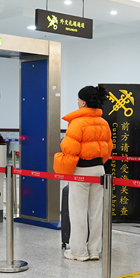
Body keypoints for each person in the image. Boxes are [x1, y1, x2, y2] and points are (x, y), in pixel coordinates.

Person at [54, 85, 113, 261]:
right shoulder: (103, 122)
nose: (77, 102)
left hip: (81, 170)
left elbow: (70, 150)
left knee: (78, 212)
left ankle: (78, 251)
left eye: (79, 99)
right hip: (99, 170)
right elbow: (108, 149)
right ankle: (94, 250)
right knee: (96, 212)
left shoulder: (77, 123)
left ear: (83, 102)